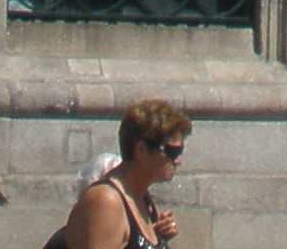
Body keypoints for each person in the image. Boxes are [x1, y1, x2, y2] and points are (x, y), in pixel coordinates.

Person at [57, 102, 189, 249]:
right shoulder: (106, 201)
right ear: (141, 149)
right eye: (172, 151)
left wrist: (158, 237)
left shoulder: (140, 196)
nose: (178, 161)